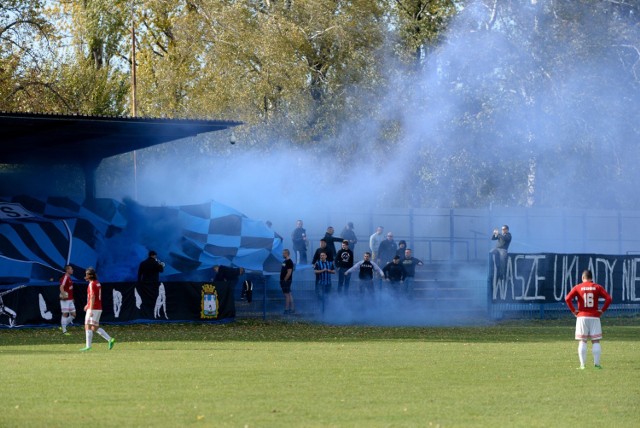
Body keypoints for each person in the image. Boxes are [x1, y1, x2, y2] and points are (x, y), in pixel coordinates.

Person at [565, 269, 612, 370]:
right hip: (595, 316)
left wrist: (574, 311)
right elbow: (609, 298)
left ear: (583, 278)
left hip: (582, 317)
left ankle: (582, 365)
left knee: (582, 340)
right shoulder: (597, 287)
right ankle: (597, 364)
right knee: (596, 341)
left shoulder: (578, 287)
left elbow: (567, 298)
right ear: (591, 278)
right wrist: (602, 310)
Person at [80, 267, 115, 352]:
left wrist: (90, 309)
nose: (85, 276)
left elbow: (92, 297)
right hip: (98, 307)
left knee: (87, 325)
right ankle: (110, 339)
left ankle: (88, 346)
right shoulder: (97, 283)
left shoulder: (92, 284)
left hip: (94, 308)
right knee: (94, 327)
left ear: (89, 276)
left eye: (86, 274)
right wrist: (87, 304)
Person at [59, 264, 76, 335]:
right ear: (67, 270)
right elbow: (61, 287)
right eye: (71, 269)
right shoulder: (65, 277)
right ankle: (64, 330)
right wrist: (64, 295)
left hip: (70, 299)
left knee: (74, 315)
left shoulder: (69, 278)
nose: (72, 270)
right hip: (65, 300)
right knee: (65, 314)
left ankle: (63, 325)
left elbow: (69, 289)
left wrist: (72, 298)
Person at [280, 249, 295, 314]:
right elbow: (283, 269)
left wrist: (284, 280)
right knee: (289, 294)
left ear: (287, 254)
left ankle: (287, 309)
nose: (283, 254)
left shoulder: (289, 262)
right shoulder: (284, 261)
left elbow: (289, 273)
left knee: (287, 295)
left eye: (283, 253)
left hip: (286, 281)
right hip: (284, 281)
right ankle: (292, 309)